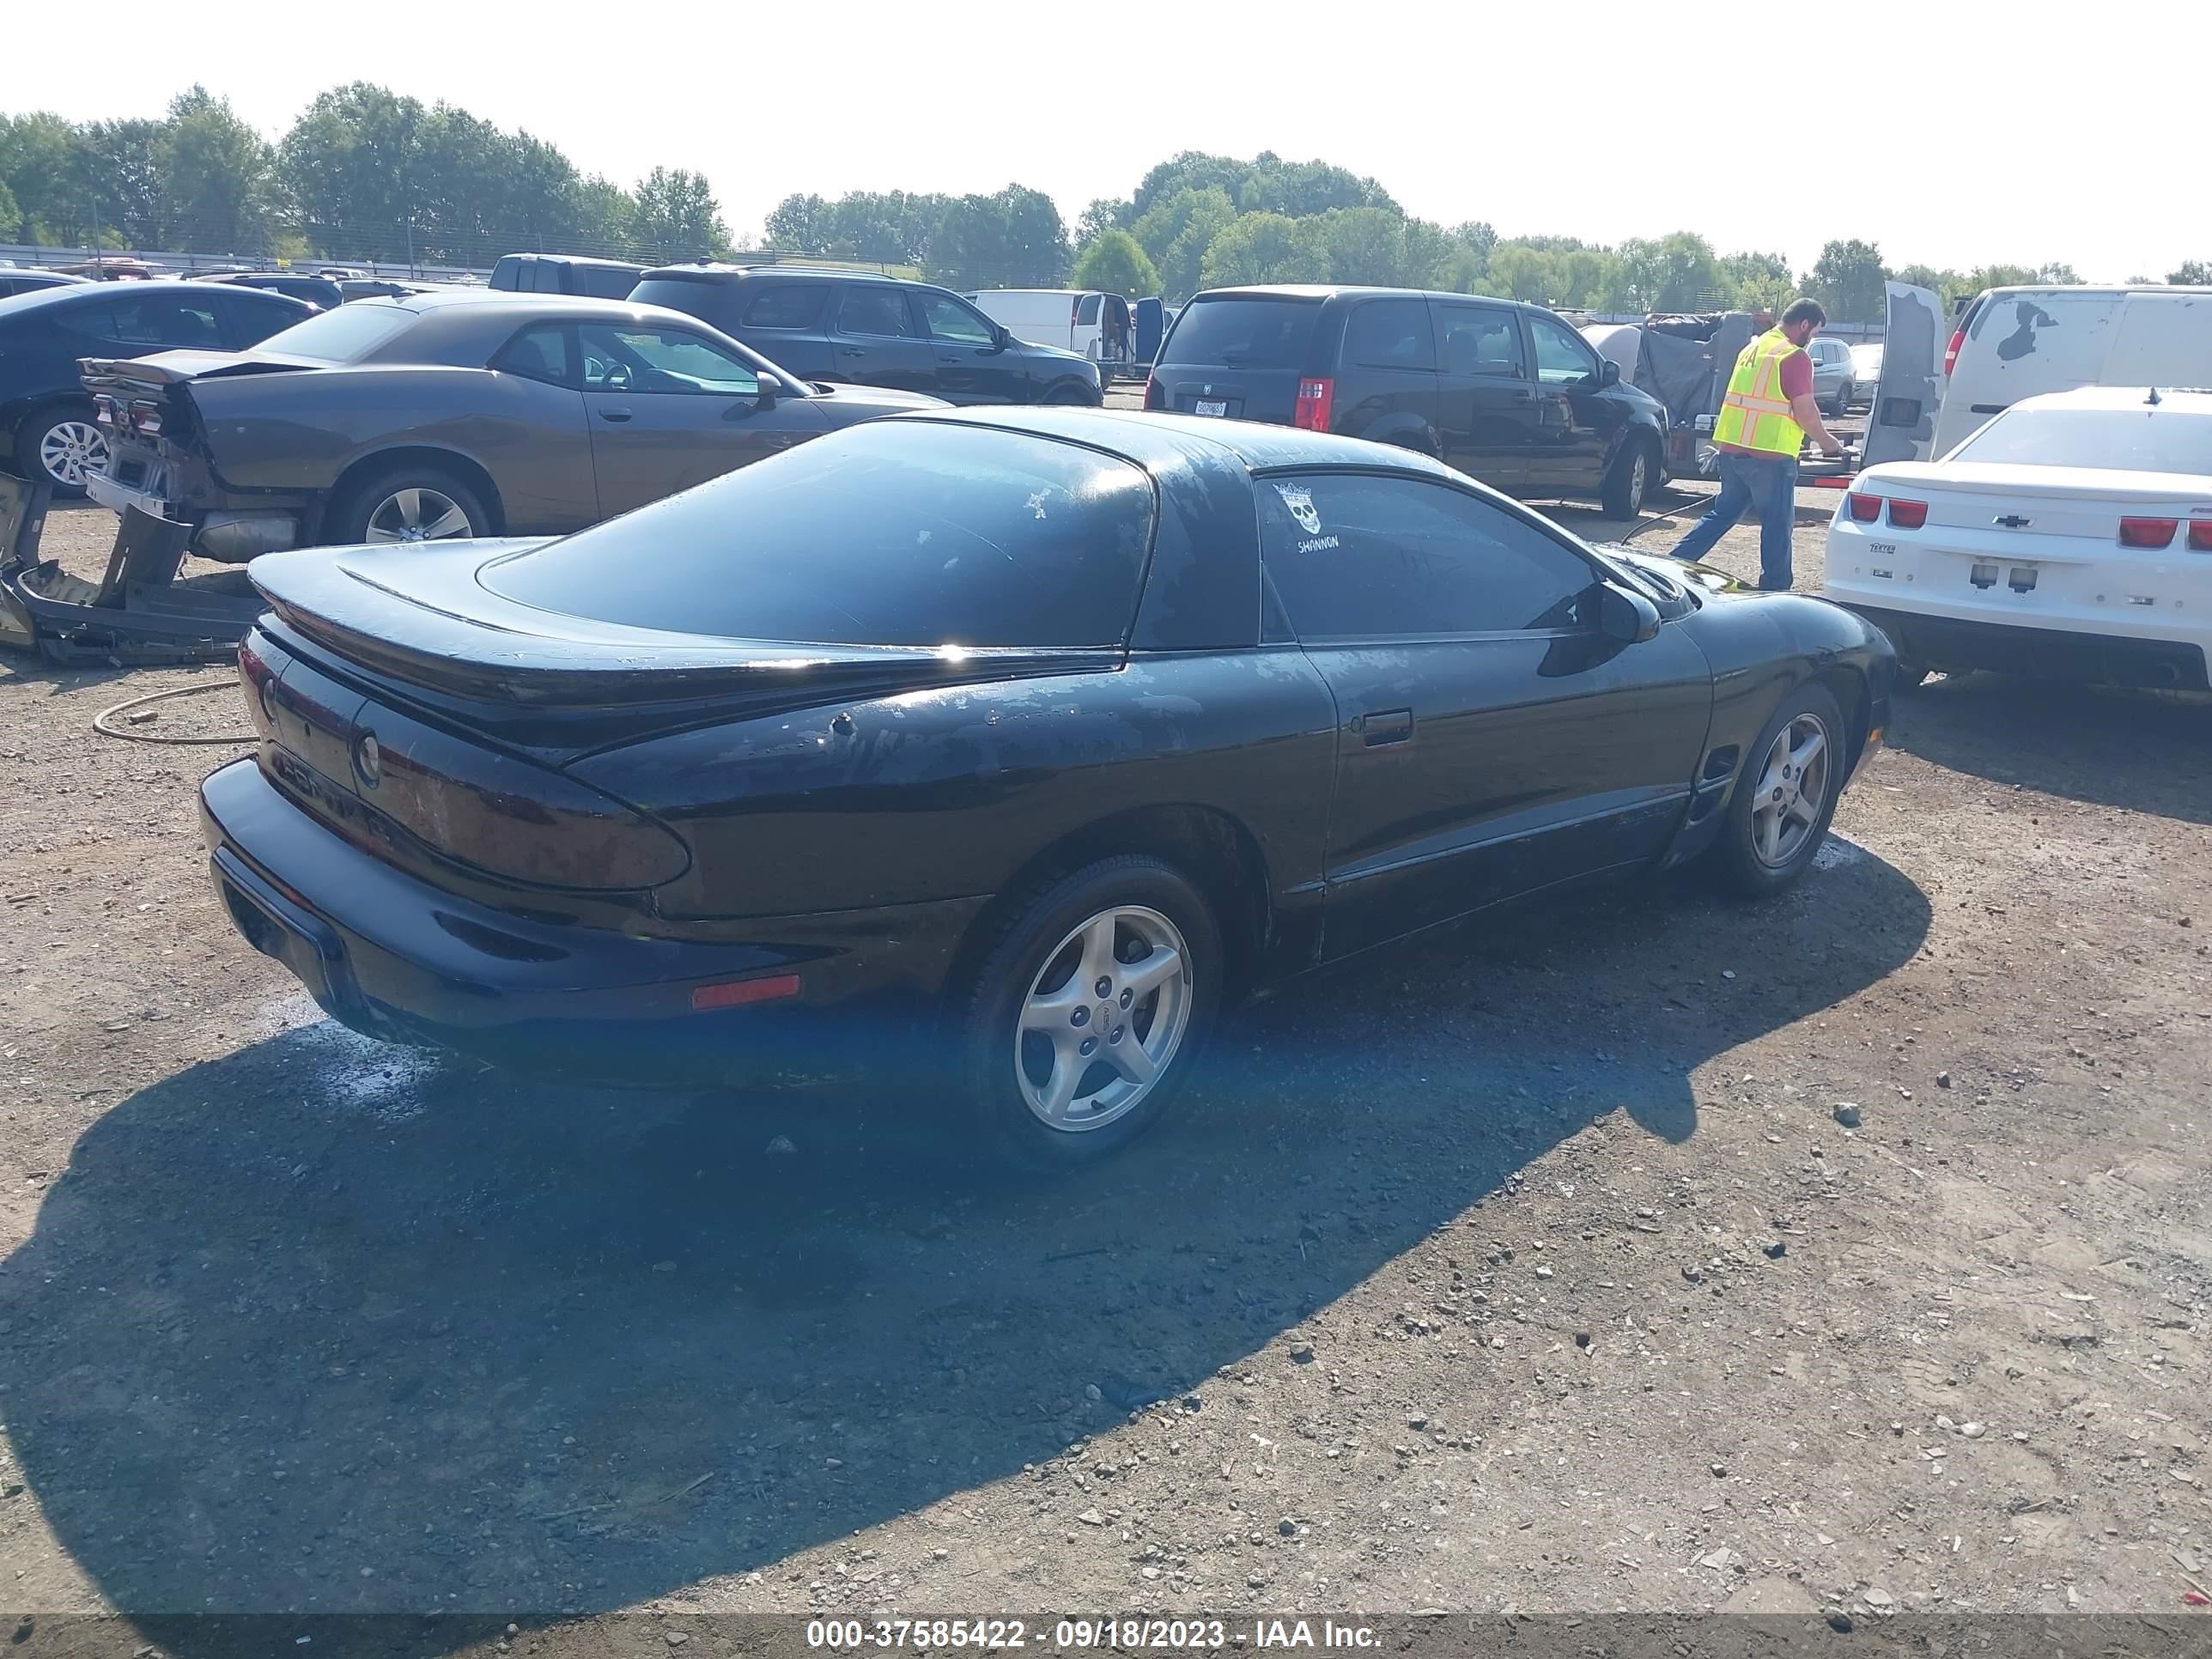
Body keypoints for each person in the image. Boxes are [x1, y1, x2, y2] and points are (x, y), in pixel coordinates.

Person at [1671, 298, 1844, 591]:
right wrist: (1829, 443)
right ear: (1804, 324)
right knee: (1777, 526)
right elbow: (1806, 413)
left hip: (1732, 451)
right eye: (1813, 333)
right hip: (1770, 459)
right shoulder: (1793, 357)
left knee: (1721, 515)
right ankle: (1775, 592)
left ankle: (1672, 565)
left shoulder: (1752, 349)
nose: (1811, 340)